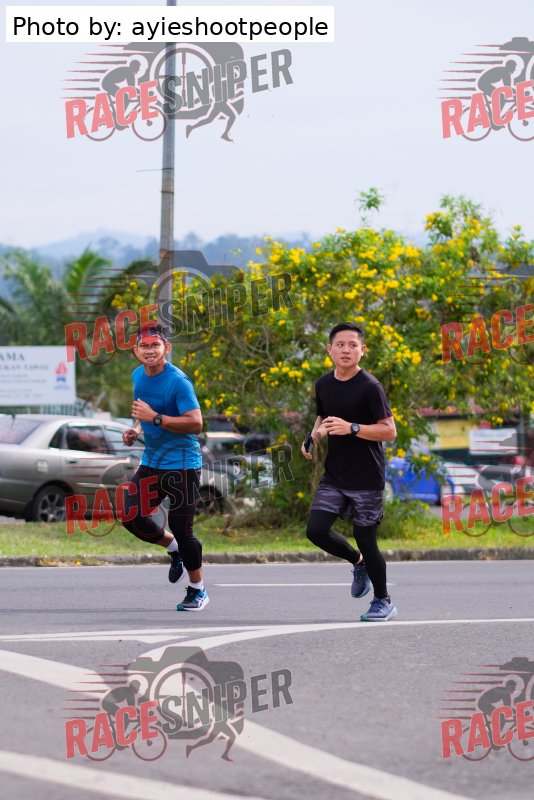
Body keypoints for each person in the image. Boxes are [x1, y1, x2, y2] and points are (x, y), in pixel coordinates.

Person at [302, 322, 398, 621]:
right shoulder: (323, 384)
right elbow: (323, 417)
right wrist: (314, 435)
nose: (346, 350)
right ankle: (358, 562)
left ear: (362, 350)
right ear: (329, 349)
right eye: (340, 344)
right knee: (316, 530)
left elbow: (389, 431)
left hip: (366, 477)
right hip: (335, 475)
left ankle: (383, 600)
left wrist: (352, 428)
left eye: (353, 345)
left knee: (366, 539)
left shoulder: (370, 387)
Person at [121, 323, 209, 611]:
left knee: (183, 529)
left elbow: (195, 423)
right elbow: (142, 410)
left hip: (183, 465)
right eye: (144, 346)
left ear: (166, 348)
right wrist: (136, 429)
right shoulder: (138, 375)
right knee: (131, 516)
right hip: (152, 462)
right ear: (136, 351)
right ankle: (174, 549)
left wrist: (156, 418)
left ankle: (198, 589)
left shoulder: (178, 382)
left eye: (155, 345)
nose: (150, 351)